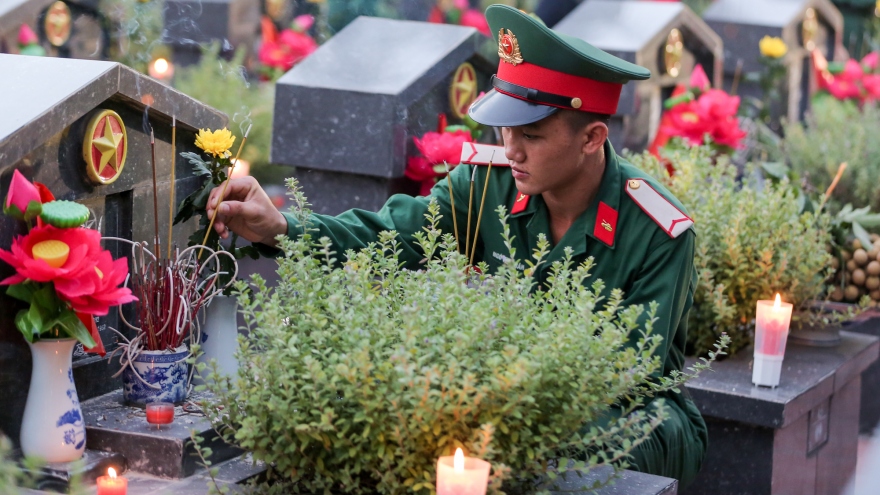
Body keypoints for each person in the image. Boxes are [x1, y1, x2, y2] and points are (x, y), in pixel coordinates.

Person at [207, 4, 706, 488]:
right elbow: (387, 235)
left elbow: (622, 375)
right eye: (504, 127)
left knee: (556, 442)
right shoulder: (486, 183)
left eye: (530, 134)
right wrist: (281, 228)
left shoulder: (657, 232)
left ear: (592, 137)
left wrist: (487, 392)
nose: (511, 148)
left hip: (623, 419)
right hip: (501, 396)